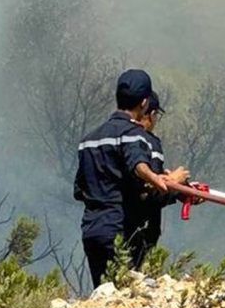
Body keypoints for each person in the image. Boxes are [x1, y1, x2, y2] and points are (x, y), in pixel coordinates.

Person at [74, 69, 170, 287]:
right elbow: (138, 164)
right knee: (128, 298)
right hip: (121, 232)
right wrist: (163, 181)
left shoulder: (88, 140)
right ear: (145, 103)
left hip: (92, 232)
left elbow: (79, 190)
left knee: (103, 296)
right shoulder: (134, 135)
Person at [123, 91, 189, 268]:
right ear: (151, 114)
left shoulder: (120, 137)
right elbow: (150, 193)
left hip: (118, 227)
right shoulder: (149, 142)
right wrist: (176, 188)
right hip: (140, 229)